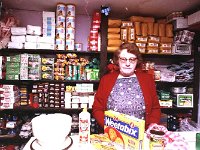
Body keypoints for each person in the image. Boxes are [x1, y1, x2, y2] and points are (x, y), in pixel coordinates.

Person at [92, 42, 161, 131]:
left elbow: (155, 108)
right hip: (114, 134)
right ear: (118, 60)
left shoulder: (147, 80)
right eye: (123, 59)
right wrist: (108, 127)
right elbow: (97, 108)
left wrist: (151, 126)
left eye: (132, 59)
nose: (128, 63)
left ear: (137, 61)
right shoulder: (106, 80)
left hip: (141, 135)